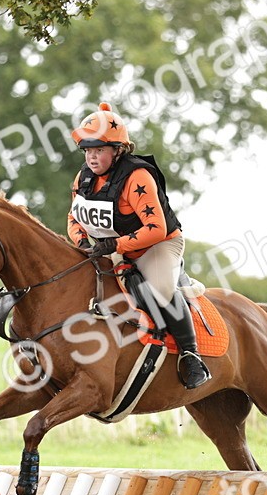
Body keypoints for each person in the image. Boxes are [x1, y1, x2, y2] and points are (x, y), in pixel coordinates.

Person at [67, 102, 211, 390]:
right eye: (88, 150)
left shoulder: (137, 176)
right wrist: (82, 242)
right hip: (113, 247)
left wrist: (113, 245)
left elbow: (155, 228)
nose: (92, 157)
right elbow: (74, 216)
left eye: (99, 150)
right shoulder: (84, 176)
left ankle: (191, 355)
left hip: (156, 246)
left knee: (159, 288)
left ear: (117, 150)